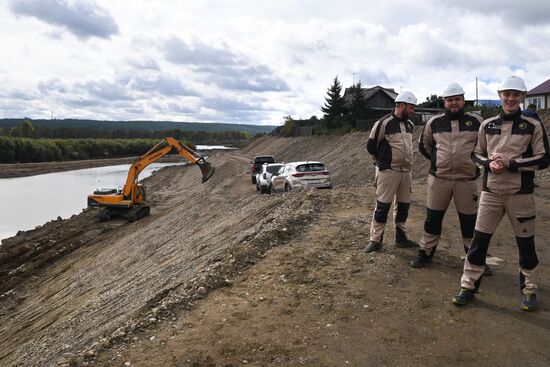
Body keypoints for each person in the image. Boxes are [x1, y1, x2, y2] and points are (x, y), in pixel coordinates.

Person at [452, 76, 550, 311]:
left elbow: (544, 157)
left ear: (523, 98)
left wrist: (513, 163)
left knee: (525, 244)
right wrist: (487, 164)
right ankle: (468, 286)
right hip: (491, 193)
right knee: (479, 242)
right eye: (507, 94)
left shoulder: (532, 125)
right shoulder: (488, 125)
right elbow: (476, 154)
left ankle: (529, 290)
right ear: (499, 96)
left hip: (520, 194)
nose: (511, 98)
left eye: (516, 94)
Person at [411, 83, 484, 269]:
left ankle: (473, 258)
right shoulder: (434, 122)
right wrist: (437, 161)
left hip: (467, 181)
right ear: (444, 102)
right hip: (439, 180)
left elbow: (485, 147)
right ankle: (426, 252)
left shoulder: (477, 121)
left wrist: (472, 163)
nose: (453, 103)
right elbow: (424, 146)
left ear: (463, 100)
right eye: (449, 100)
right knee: (432, 219)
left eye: (457, 99)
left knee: (469, 222)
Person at [363, 91, 419, 253]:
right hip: (388, 171)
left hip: (405, 172)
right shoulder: (384, 123)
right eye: (410, 107)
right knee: (382, 206)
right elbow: (371, 146)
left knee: (403, 206)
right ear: (401, 105)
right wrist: (380, 162)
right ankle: (375, 240)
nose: (412, 110)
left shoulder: (410, 125)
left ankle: (401, 238)